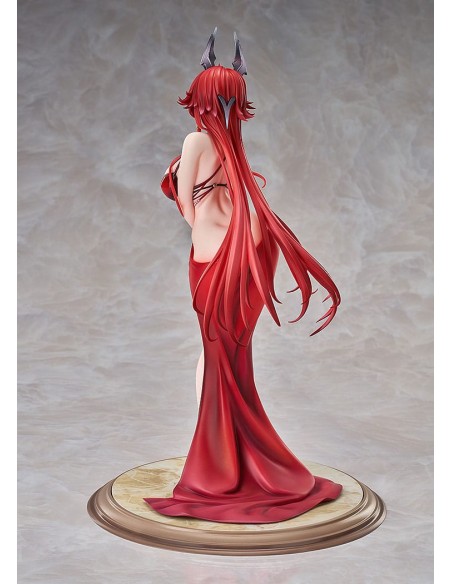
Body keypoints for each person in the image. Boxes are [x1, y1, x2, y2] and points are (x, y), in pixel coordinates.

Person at [144, 28, 343, 524]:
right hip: (247, 247)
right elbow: (234, 199)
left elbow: (186, 205)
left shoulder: (196, 139)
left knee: (217, 354)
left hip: (213, 252)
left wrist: (196, 217)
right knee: (228, 356)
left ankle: (214, 461)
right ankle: (223, 448)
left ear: (201, 97)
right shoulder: (233, 143)